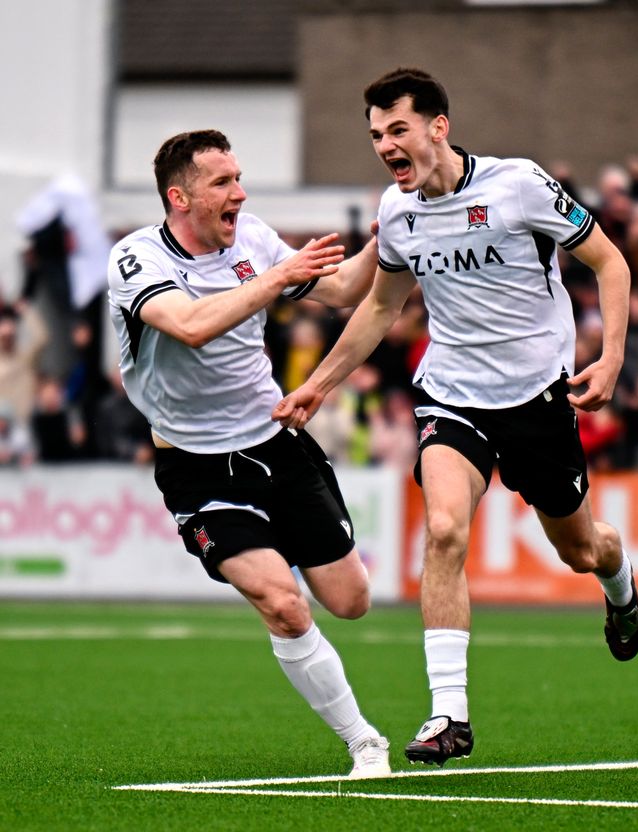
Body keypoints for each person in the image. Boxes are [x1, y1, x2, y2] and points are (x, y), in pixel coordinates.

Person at [273, 68, 638, 767]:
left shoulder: (518, 186)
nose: (386, 144)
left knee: (580, 550)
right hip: (452, 394)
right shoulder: (398, 209)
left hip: (538, 396)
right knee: (444, 529)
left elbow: (610, 262)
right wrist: (320, 384)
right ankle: (450, 715)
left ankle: (619, 583)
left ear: (438, 127)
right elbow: (380, 306)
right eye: (377, 134)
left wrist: (613, 358)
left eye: (397, 130)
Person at [107, 129, 390, 779]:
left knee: (350, 601)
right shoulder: (137, 258)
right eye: (223, 183)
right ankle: (364, 742)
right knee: (285, 605)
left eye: (239, 178)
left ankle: (289, 557)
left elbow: (343, 290)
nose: (240, 192)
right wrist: (281, 278)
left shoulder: (254, 237)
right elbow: (191, 326)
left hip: (275, 445)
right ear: (180, 197)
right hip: (198, 466)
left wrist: (388, 233)